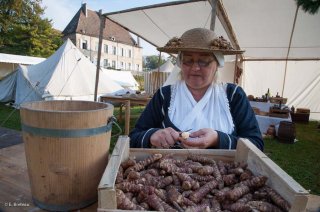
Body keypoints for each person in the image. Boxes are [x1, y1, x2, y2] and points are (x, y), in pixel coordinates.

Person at [129, 28, 263, 151]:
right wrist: (152, 136)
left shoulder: (233, 95)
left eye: (204, 61)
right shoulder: (165, 96)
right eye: (188, 60)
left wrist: (218, 139)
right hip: (168, 174)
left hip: (224, 174)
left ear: (218, 64)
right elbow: (133, 138)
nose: (195, 68)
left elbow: (256, 144)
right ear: (180, 63)